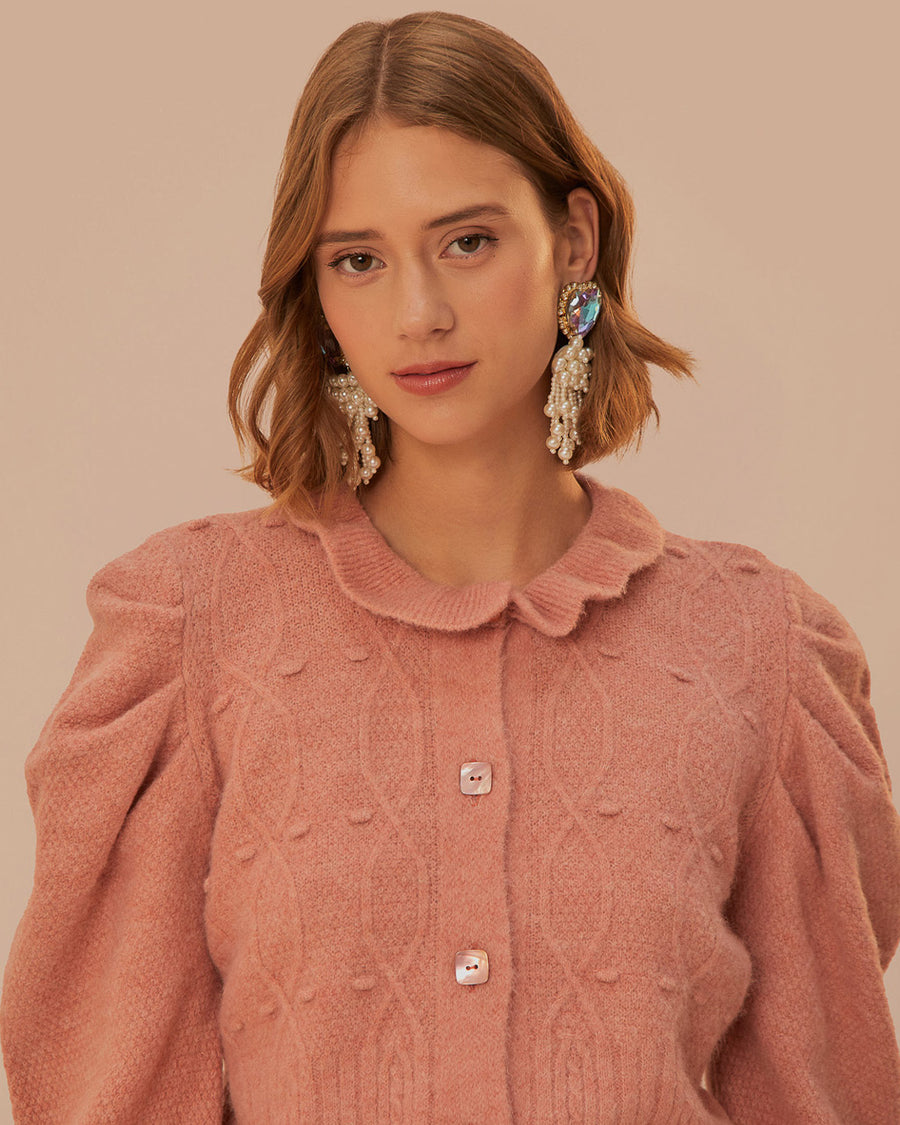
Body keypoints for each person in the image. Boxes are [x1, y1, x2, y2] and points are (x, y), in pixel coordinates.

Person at [2, 10, 899, 1123]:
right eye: (360, 260)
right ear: (317, 292)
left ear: (572, 242)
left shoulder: (757, 649)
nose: (418, 313)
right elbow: (110, 1095)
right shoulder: (193, 628)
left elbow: (827, 1095)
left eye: (466, 241)